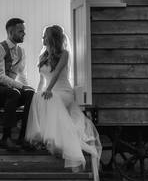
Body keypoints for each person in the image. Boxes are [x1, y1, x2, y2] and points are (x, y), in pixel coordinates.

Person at [25, 25, 102, 171]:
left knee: (51, 98)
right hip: (51, 92)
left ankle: (57, 141)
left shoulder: (64, 54)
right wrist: (39, 93)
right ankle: (44, 137)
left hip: (64, 91)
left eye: (45, 35)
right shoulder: (42, 57)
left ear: (52, 38)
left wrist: (48, 90)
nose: (42, 38)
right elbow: (42, 80)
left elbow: (56, 73)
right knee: (36, 97)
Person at [0, 17, 35, 151]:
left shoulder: (21, 51)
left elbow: (22, 75)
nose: (24, 33)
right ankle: (6, 138)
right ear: (10, 32)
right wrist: (21, 87)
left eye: (24, 31)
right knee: (14, 92)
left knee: (30, 94)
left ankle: (23, 137)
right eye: (20, 31)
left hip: (11, 93)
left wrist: (27, 87)